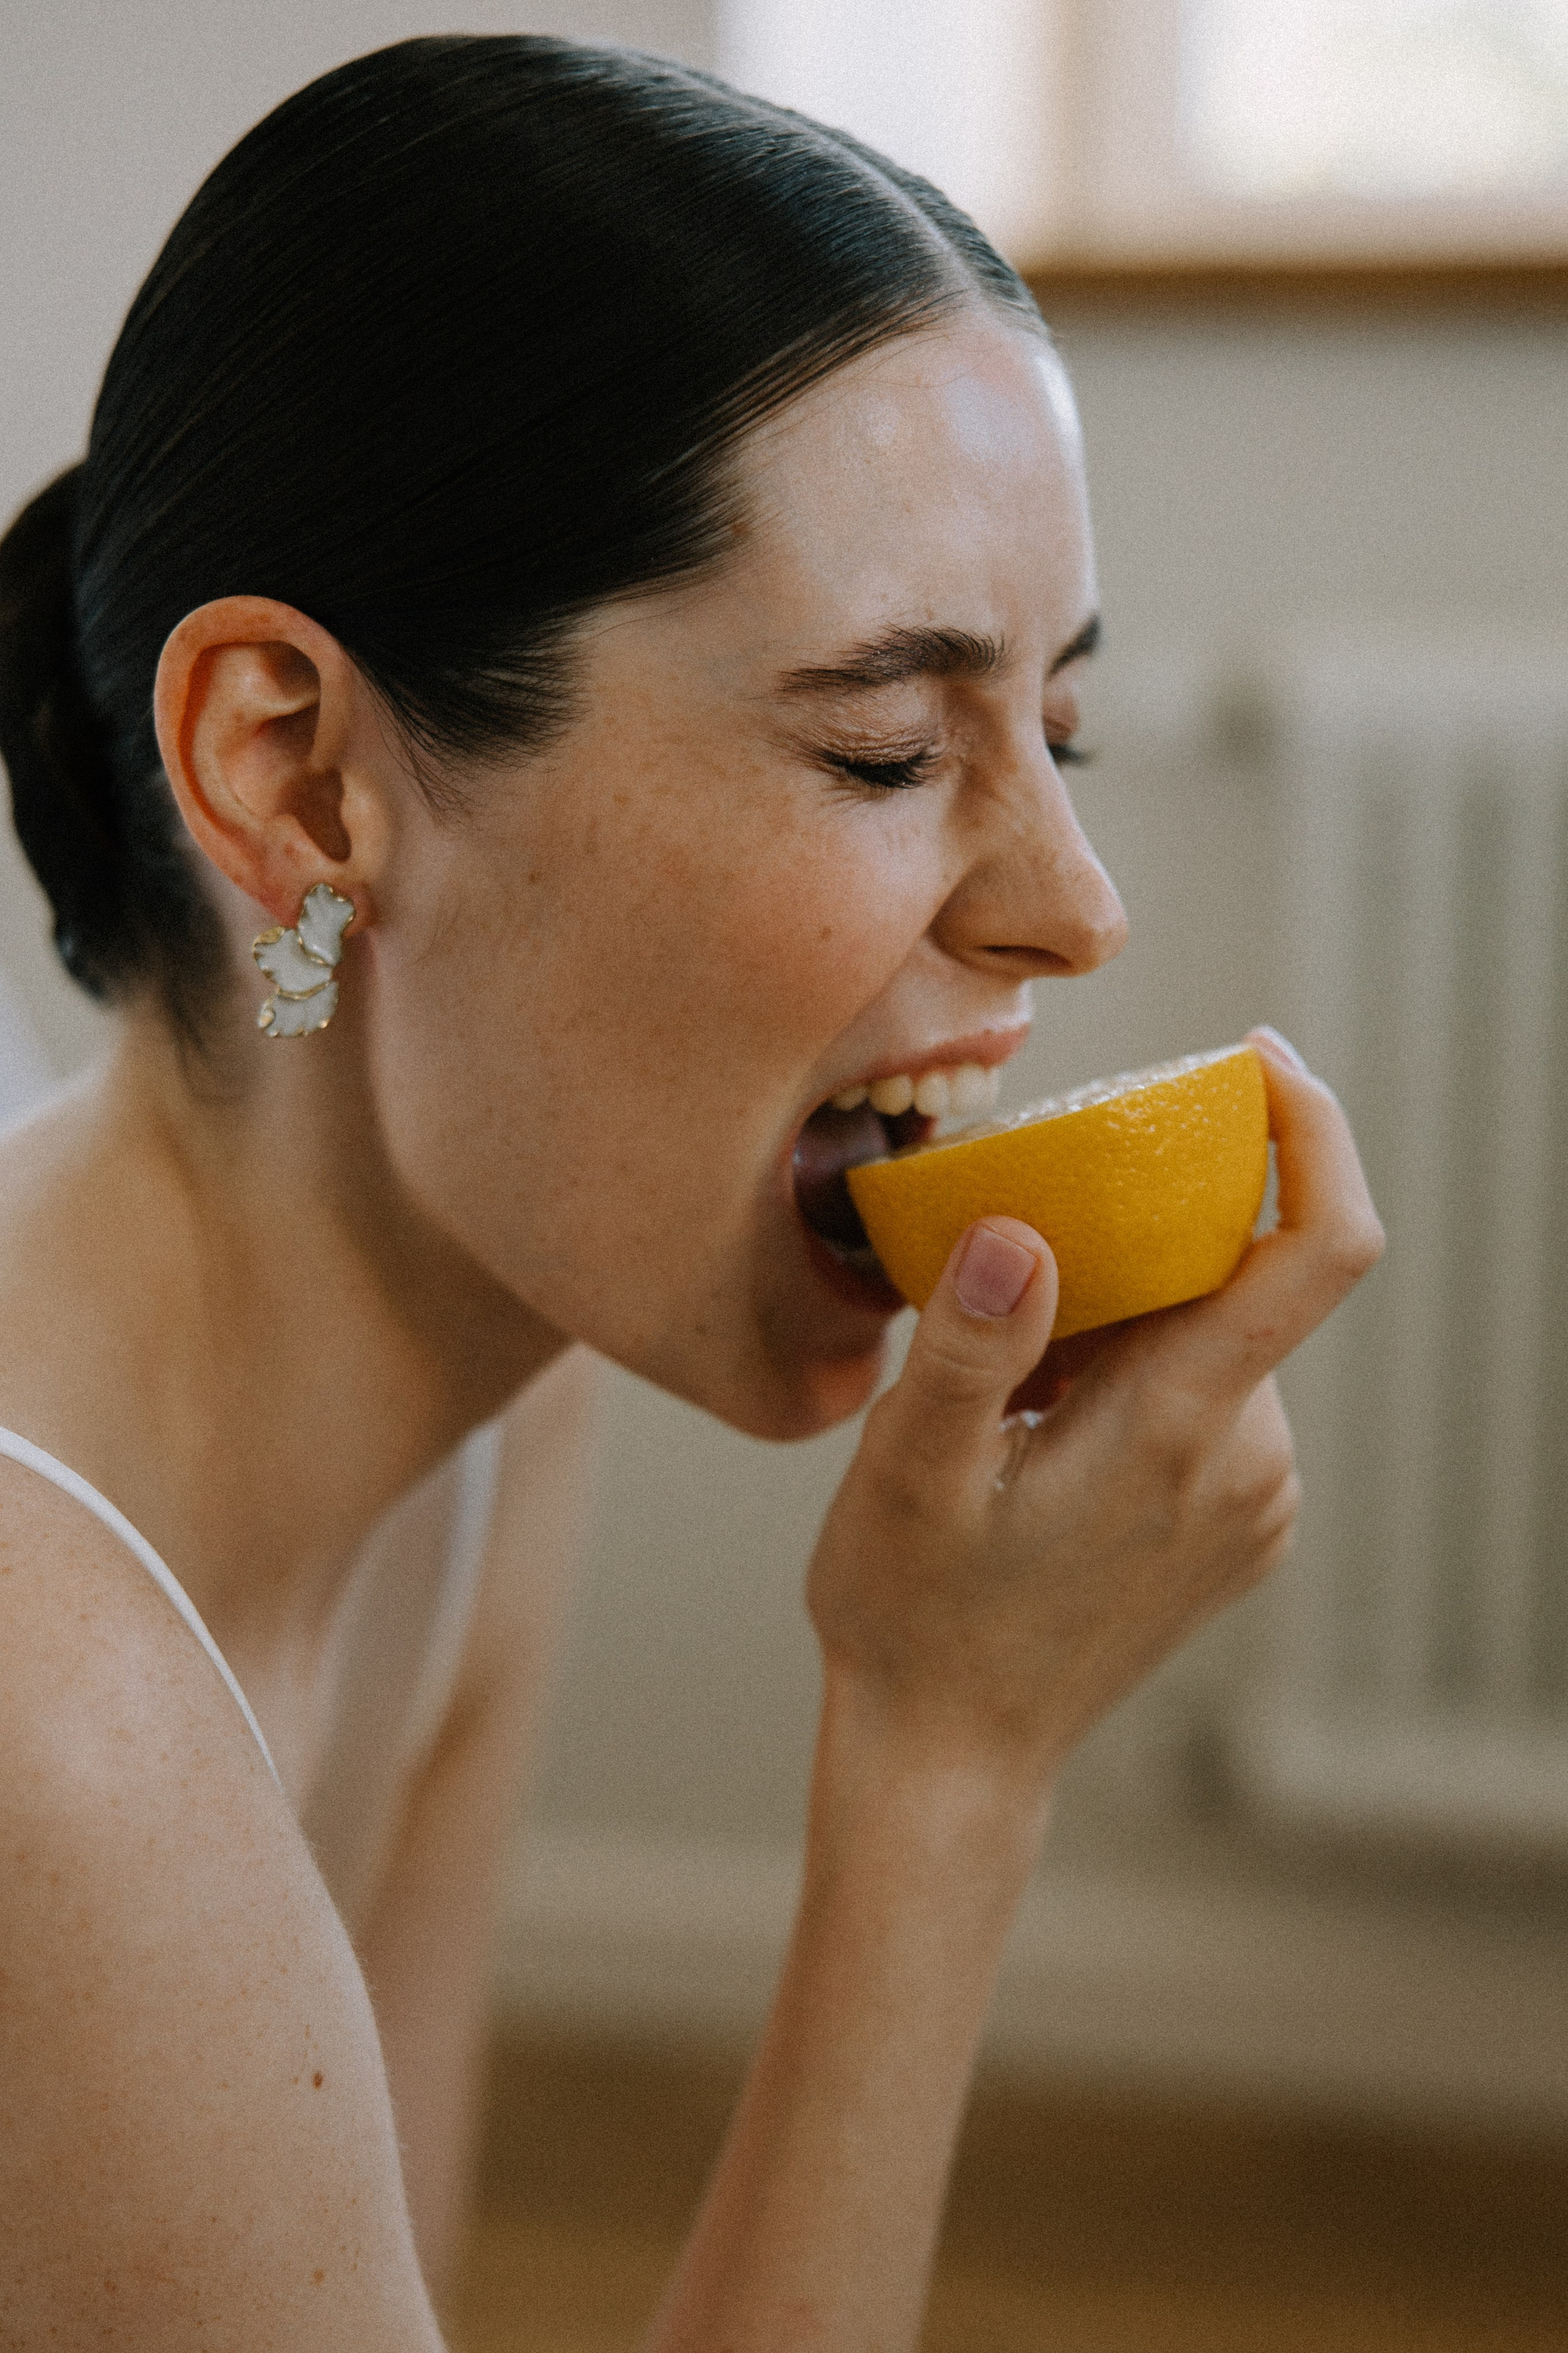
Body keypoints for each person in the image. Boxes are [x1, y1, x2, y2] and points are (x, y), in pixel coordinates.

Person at [0, 34, 1382, 2351]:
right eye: (880, 745)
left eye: (1059, 731)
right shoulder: (53, 1730)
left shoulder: (486, 1379)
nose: (1077, 906)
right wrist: (947, 1768)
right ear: (297, 774)